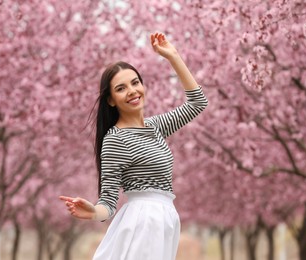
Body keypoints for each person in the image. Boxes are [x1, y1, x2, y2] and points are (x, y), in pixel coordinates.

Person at [59, 32, 208, 260]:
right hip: (143, 221)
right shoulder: (115, 140)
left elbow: (198, 103)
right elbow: (108, 203)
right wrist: (92, 212)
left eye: (135, 83)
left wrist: (172, 56)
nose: (132, 91)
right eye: (121, 88)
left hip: (165, 218)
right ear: (111, 100)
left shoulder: (155, 126)